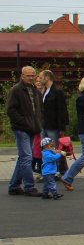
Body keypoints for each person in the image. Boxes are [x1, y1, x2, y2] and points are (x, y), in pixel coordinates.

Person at [7, 66, 43, 197]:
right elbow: (11, 110)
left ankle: (14, 186)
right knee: (27, 157)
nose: (31, 78)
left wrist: (38, 122)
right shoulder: (15, 90)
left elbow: (39, 110)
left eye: (33, 75)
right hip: (21, 128)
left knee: (23, 158)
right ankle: (29, 187)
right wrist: (24, 122)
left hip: (33, 128)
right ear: (22, 76)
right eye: (28, 75)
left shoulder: (35, 91)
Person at [40, 70, 68, 144]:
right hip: (43, 126)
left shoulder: (57, 91)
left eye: (40, 77)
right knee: (44, 150)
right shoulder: (45, 91)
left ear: (47, 78)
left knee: (53, 149)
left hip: (53, 126)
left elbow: (62, 110)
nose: (39, 80)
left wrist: (62, 127)